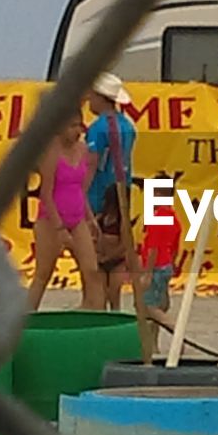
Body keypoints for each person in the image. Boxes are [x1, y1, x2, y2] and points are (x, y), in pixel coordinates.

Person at [27, 108, 99, 311]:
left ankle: (90, 309)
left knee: (91, 270)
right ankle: (25, 318)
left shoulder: (83, 149)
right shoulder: (51, 152)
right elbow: (46, 194)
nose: (77, 131)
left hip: (77, 217)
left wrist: (90, 217)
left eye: (79, 125)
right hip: (51, 219)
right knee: (43, 274)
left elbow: (81, 190)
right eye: (71, 126)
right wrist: (60, 229)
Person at [86, 73, 137, 310]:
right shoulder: (128, 126)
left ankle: (96, 305)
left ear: (100, 97)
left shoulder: (97, 129)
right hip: (122, 194)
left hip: (100, 197)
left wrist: (80, 197)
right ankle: (115, 306)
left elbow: (92, 166)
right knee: (118, 254)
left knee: (96, 256)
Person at [141, 181, 182, 353]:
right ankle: (153, 347)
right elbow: (175, 245)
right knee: (157, 306)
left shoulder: (159, 217)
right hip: (165, 265)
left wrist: (148, 273)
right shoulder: (173, 217)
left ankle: (179, 336)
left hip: (156, 266)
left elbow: (153, 248)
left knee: (149, 308)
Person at [95, 183, 127, 310]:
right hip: (102, 260)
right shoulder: (100, 218)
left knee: (114, 297)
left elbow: (124, 245)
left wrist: (107, 257)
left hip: (116, 261)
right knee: (101, 297)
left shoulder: (122, 221)